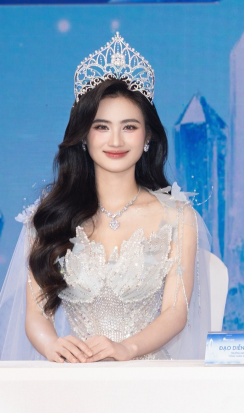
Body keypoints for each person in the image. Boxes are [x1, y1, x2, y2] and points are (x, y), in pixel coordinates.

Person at [0, 33, 211, 361]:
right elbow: (36, 314)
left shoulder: (178, 217)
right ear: (84, 136)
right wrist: (53, 345)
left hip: (147, 375)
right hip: (78, 372)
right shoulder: (50, 215)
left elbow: (175, 312)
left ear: (147, 136)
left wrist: (126, 348)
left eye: (129, 127)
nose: (115, 140)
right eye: (101, 127)